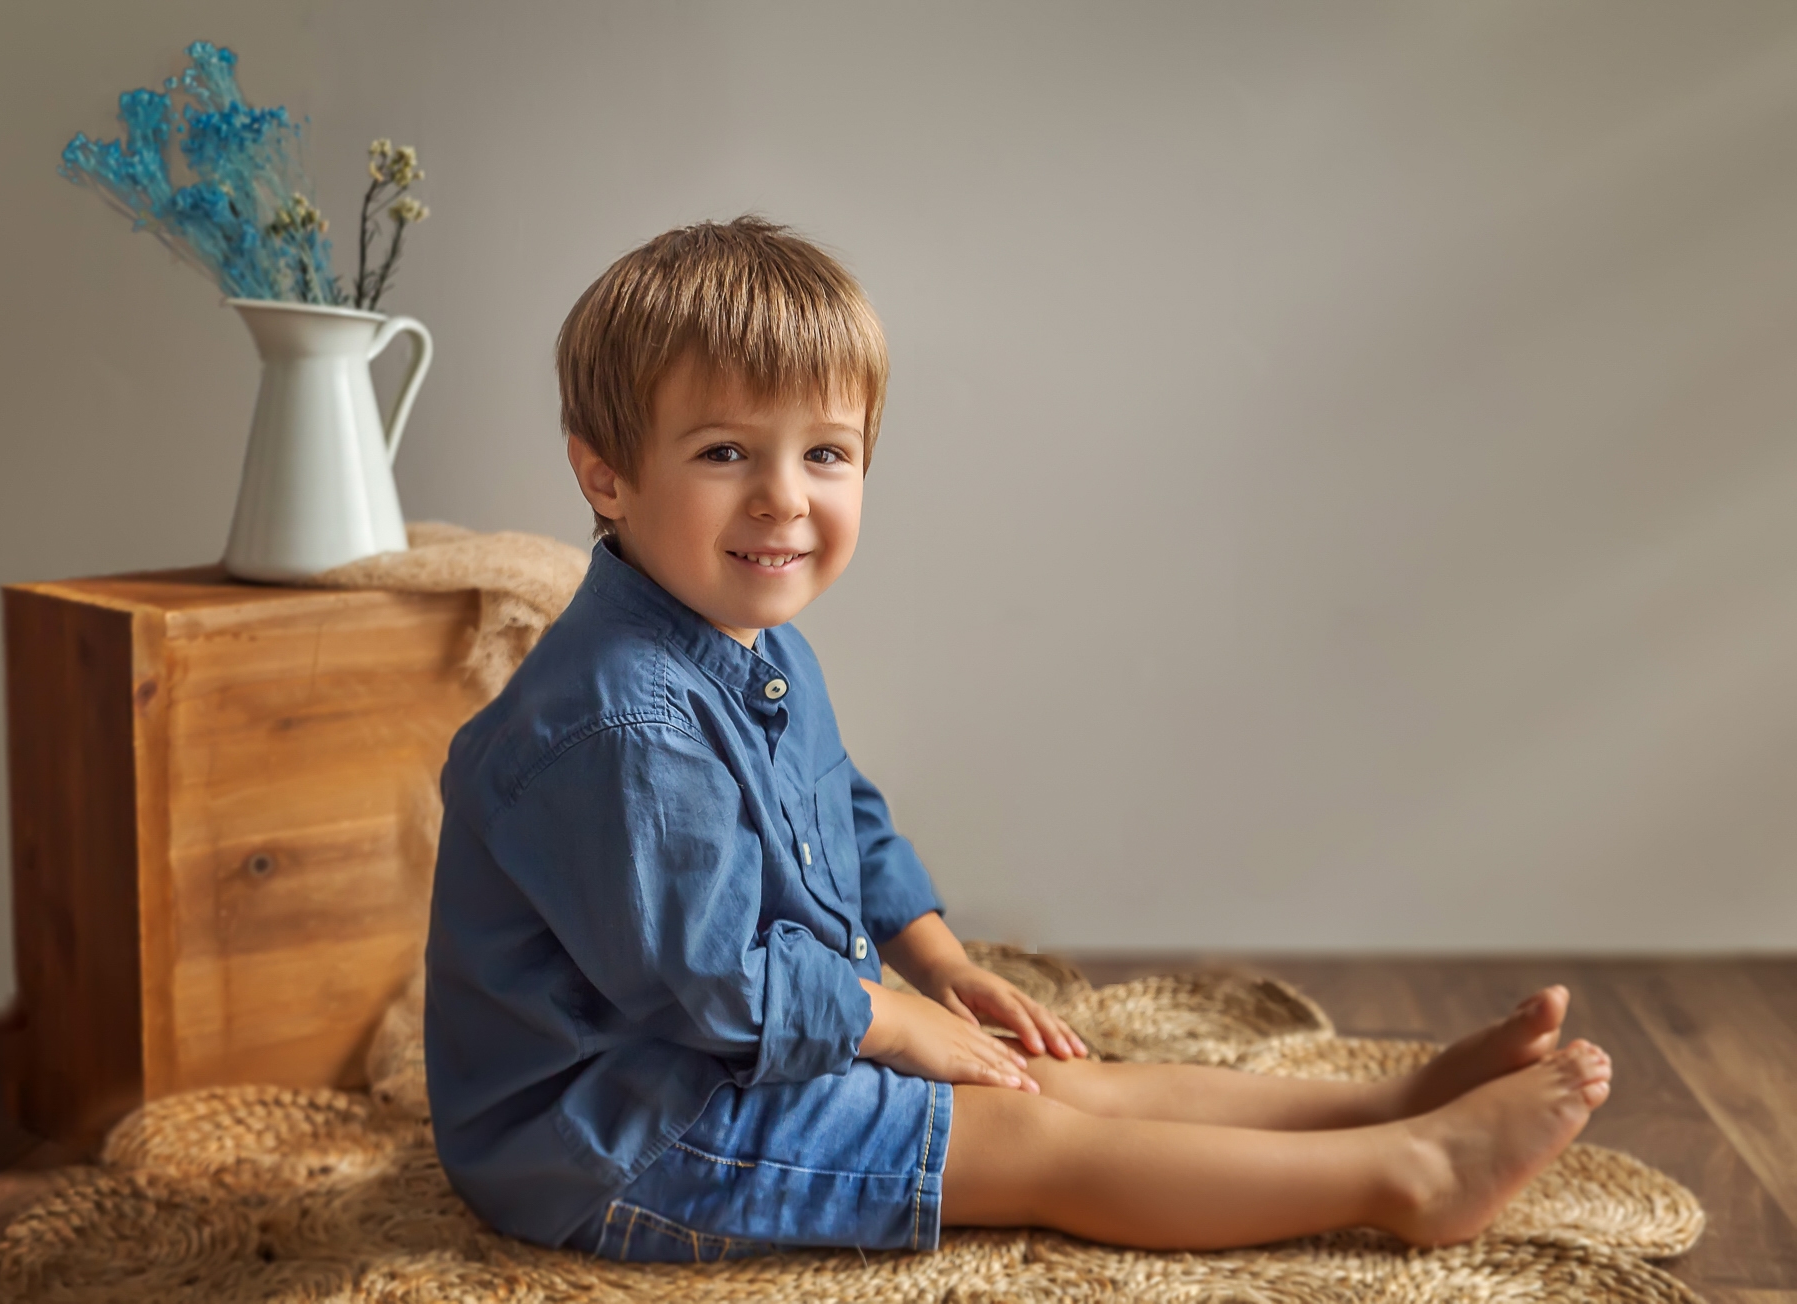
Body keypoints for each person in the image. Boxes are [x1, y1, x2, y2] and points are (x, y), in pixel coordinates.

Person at [423, 215, 1614, 1265]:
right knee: (1035, 1134)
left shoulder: (749, 643)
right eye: (726, 450)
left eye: (825, 451)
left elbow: (840, 806)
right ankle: (1406, 1178)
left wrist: (939, 964)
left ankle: (1391, 1102)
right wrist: (892, 1021)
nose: (785, 495)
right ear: (608, 474)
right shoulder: (621, 719)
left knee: (1055, 1075)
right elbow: (716, 978)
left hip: (713, 1049)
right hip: (615, 1132)